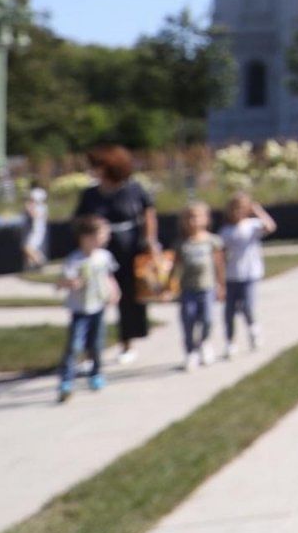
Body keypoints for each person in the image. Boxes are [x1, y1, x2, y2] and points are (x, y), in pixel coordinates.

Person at [73, 146, 159, 363]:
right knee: (93, 297)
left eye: (97, 166)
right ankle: (89, 351)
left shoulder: (133, 189)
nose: (93, 170)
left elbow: (148, 213)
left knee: (129, 299)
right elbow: (79, 221)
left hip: (129, 249)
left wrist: (150, 241)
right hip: (99, 251)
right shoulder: (90, 194)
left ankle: (127, 342)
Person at [55, 215, 117, 401]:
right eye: (102, 233)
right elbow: (61, 282)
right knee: (74, 346)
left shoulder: (104, 257)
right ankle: (66, 380)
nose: (107, 236)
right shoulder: (75, 260)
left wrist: (114, 291)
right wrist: (70, 283)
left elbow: (109, 276)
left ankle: (95, 374)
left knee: (96, 344)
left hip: (98, 307)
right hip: (80, 310)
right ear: (87, 237)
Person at [220, 191, 275, 356]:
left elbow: (270, 227)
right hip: (231, 276)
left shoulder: (252, 225)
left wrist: (257, 211)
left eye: (241, 208)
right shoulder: (225, 230)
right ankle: (230, 341)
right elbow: (220, 254)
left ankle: (253, 329)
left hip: (250, 274)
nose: (237, 212)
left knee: (247, 307)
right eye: (234, 208)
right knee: (229, 311)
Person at [175, 203, 225, 371]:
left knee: (207, 319)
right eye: (189, 218)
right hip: (187, 288)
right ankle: (191, 352)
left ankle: (205, 343)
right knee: (188, 319)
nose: (193, 221)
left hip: (207, 287)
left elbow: (219, 265)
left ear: (205, 219)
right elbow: (176, 266)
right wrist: (168, 285)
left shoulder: (212, 241)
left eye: (196, 217)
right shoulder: (182, 244)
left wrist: (221, 285)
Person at [21, 186, 49, 270]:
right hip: (32, 231)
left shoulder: (41, 207)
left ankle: (40, 262)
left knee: (28, 248)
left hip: (37, 231)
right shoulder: (38, 206)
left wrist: (28, 207)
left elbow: (34, 215)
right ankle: (32, 267)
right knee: (28, 249)